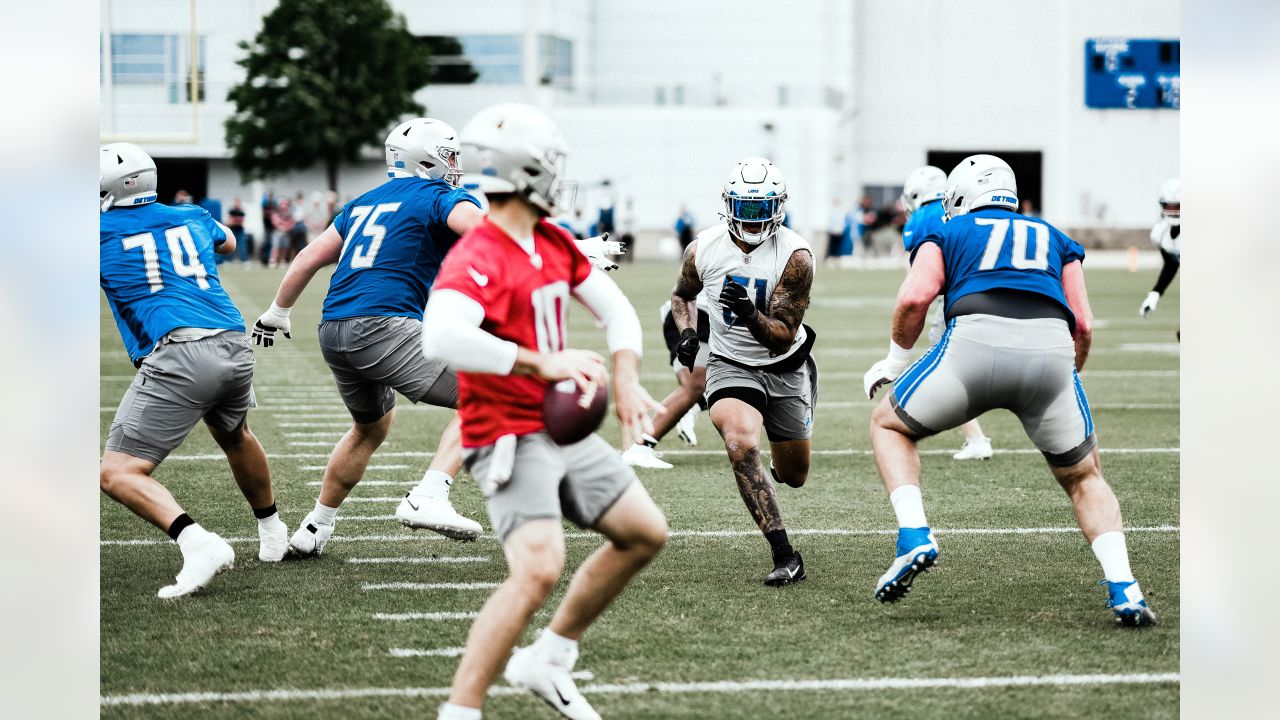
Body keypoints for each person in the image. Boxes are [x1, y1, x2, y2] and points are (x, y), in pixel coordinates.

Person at [422, 102, 668, 720]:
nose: (560, 175)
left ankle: (550, 658)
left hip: (562, 430)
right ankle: (461, 709)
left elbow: (615, 311)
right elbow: (441, 337)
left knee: (644, 533)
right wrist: (538, 362)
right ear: (526, 169)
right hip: (506, 432)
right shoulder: (477, 254)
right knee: (537, 570)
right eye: (551, 163)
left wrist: (628, 376)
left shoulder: (552, 239)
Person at [862, 154, 1156, 626]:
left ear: (959, 197)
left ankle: (914, 534)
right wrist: (1067, 375)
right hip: (1050, 355)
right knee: (1085, 477)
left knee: (888, 425)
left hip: (972, 348)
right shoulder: (1056, 237)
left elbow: (916, 296)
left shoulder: (946, 230)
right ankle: (1126, 589)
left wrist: (895, 360)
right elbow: (1082, 323)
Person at [251, 117, 486, 551]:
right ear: (428, 159)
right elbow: (487, 233)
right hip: (382, 325)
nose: (455, 165)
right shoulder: (441, 196)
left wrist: (277, 312)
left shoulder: (362, 203)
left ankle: (316, 526)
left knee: (369, 429)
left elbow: (307, 258)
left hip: (334, 329)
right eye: (450, 154)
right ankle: (429, 495)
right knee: (490, 393)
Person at [99, 143, 288, 598]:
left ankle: (198, 543)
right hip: (232, 343)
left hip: (182, 352)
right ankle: (272, 531)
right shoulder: (192, 215)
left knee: (117, 473)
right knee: (235, 435)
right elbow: (226, 239)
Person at [670, 157, 817, 587]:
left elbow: (783, 335)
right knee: (739, 442)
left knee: (794, 476)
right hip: (731, 364)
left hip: (784, 364)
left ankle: (787, 433)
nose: (752, 218)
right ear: (728, 204)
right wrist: (687, 333)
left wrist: (750, 314)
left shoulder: (796, 256)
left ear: (778, 206)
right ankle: (785, 554)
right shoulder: (703, 248)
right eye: (744, 207)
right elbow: (682, 297)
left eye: (761, 208)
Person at [900, 165, 994, 460]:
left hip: (956, 297)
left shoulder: (921, 219)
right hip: (987, 292)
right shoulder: (967, 211)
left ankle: (976, 439)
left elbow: (921, 280)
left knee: (946, 365)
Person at [620, 300, 709, 469]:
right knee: (695, 383)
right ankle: (640, 447)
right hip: (695, 313)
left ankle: (693, 406)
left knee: (747, 378)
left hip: (733, 321)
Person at [1139, 177, 1180, 321]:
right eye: (1170, 206)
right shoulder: (1160, 234)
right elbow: (1172, 264)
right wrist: (1155, 294)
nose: (1174, 211)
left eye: (1178, 207)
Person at [226, 197, 251, 265]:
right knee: (230, 245)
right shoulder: (232, 211)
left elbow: (241, 222)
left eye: (238, 203)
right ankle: (228, 260)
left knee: (242, 245)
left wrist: (235, 222)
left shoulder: (241, 211)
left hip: (240, 230)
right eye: (236, 202)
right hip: (232, 229)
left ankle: (244, 260)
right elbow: (230, 221)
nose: (237, 204)